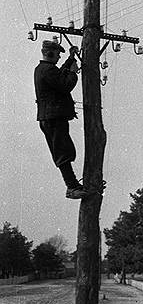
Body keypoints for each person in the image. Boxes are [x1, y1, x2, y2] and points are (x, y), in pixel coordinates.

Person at [34, 39, 87, 199]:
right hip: (53, 118)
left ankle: (73, 186)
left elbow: (59, 74)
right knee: (63, 153)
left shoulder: (44, 69)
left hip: (51, 117)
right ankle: (71, 187)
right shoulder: (48, 71)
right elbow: (64, 84)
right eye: (57, 55)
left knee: (63, 151)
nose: (58, 58)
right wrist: (73, 72)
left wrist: (70, 59)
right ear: (50, 54)